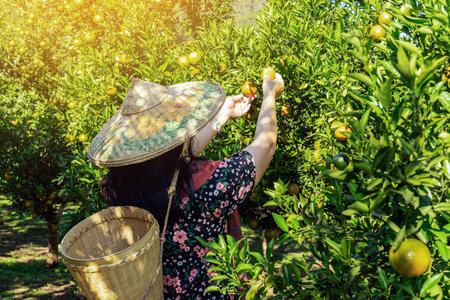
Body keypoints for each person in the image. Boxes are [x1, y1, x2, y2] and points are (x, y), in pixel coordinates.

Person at [88, 73, 284, 299]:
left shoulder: (117, 186)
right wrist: (270, 93)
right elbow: (265, 145)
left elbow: (168, 161)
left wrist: (220, 118)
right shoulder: (209, 186)